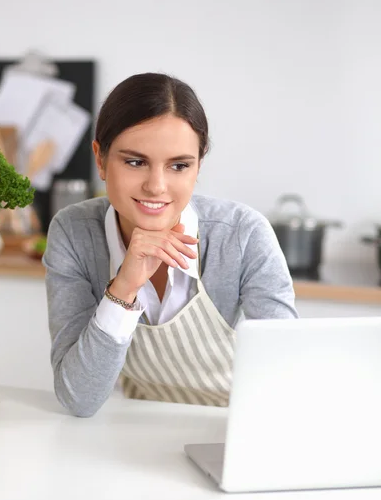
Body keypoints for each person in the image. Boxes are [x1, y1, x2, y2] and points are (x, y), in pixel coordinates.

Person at [43, 72, 298, 417]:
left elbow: (287, 374)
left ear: (198, 167)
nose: (156, 186)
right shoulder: (73, 233)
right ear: (100, 159)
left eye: (179, 165)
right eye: (135, 162)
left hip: (233, 429)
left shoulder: (243, 234)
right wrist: (124, 286)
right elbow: (79, 398)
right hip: (134, 428)